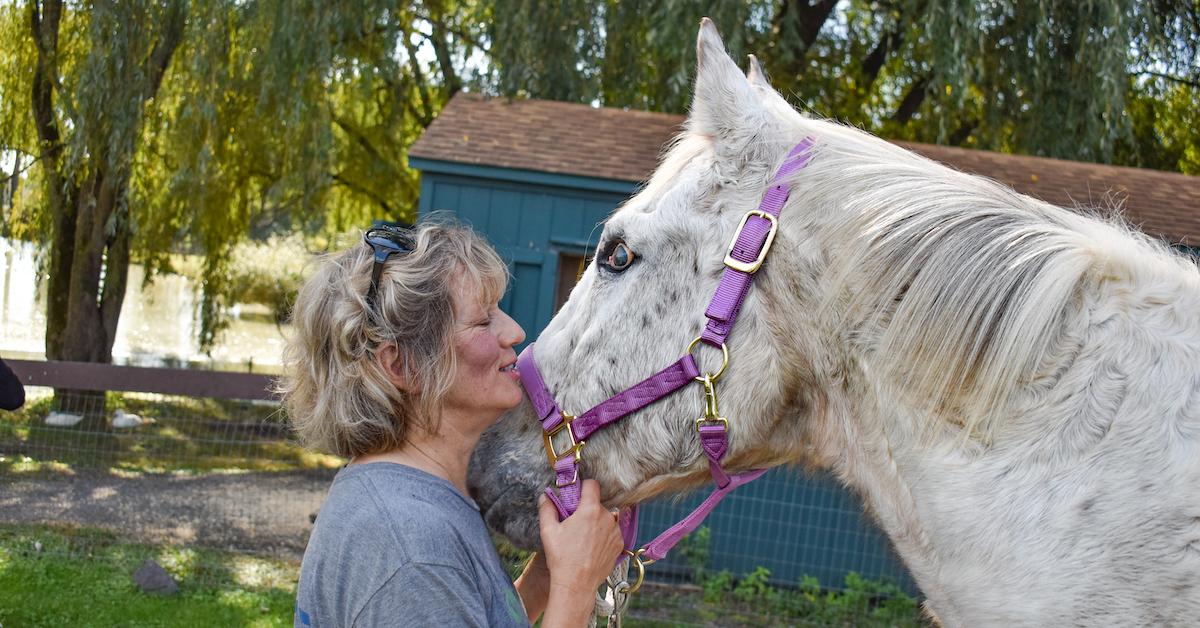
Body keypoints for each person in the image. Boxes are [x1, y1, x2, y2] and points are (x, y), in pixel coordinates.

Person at [283, 221, 623, 627]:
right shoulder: (412, 548)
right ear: (402, 365)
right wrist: (576, 585)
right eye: (483, 322)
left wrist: (541, 583)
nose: (514, 331)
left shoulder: (404, 502)